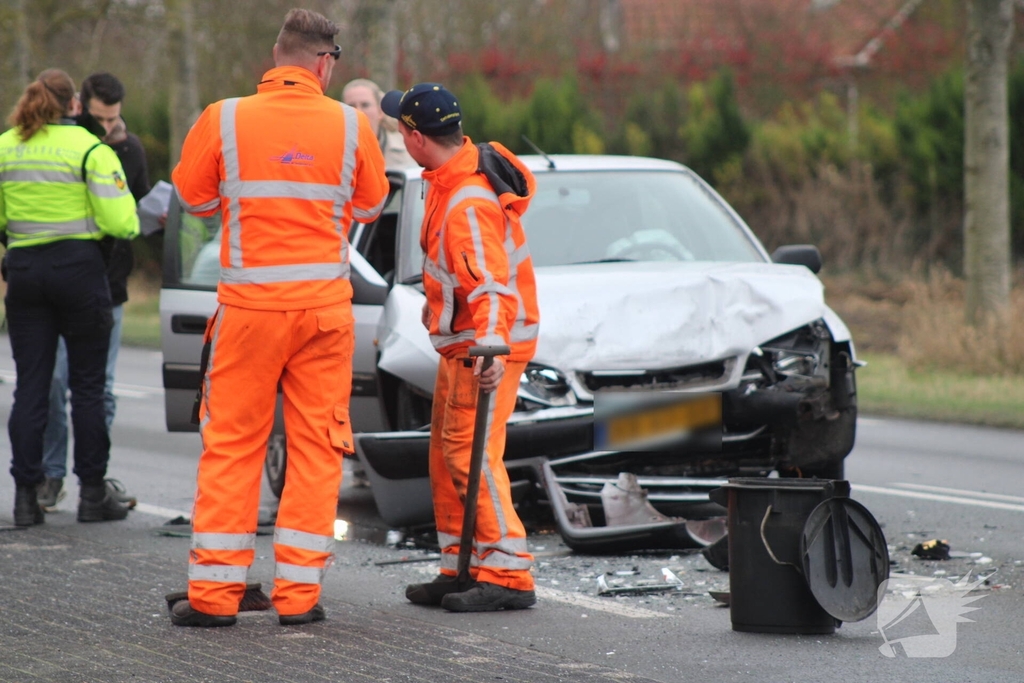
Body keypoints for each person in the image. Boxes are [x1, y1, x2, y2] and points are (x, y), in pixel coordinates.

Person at [168, 8, 388, 628]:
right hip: (322, 314)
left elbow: (193, 196)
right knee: (317, 452)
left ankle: (213, 598)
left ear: (276, 54)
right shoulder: (349, 125)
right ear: (325, 63)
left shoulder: (225, 117)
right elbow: (371, 205)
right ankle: (299, 599)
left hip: (248, 313)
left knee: (233, 448)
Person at [381, 83, 540, 612]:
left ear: (416, 137)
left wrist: (491, 351)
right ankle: (462, 566)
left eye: (401, 129)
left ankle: (507, 576)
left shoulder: (465, 200)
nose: (398, 136)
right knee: (448, 454)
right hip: (465, 348)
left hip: (484, 350)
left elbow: (492, 286)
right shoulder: (450, 179)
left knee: (472, 457)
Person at [0, 69, 140, 527]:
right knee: (87, 389)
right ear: (75, 106)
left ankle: (25, 497)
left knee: (32, 388)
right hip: (79, 273)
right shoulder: (91, 150)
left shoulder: (5, 148)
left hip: (24, 275)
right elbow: (123, 223)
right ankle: (93, 495)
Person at [36, 72, 150, 511]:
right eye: (99, 118)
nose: (106, 128)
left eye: (113, 119)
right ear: (80, 107)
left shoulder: (129, 148)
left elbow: (135, 213)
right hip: (66, 282)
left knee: (99, 387)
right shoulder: (70, 147)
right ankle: (52, 473)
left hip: (111, 285)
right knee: (53, 382)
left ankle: (93, 478)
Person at [342, 78, 417, 170]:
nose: (358, 111)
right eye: (351, 106)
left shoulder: (407, 147)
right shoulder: (335, 148)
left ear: (380, 111)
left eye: (365, 105)